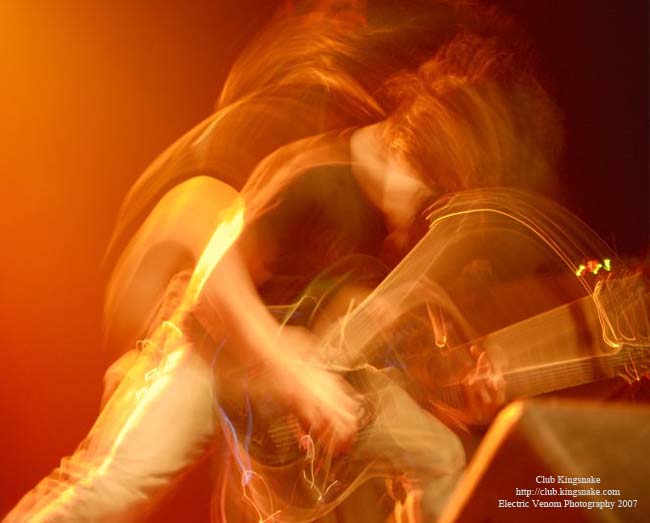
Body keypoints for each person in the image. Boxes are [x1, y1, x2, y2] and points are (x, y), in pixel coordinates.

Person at [3, 2, 563, 522]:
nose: (413, 213)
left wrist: (453, 384)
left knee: (440, 455)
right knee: (113, 488)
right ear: (397, 143)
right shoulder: (314, 175)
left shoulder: (387, 224)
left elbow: (352, 328)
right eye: (420, 189)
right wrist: (293, 374)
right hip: (207, 355)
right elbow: (211, 281)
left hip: (277, 392)